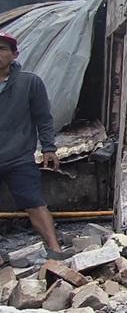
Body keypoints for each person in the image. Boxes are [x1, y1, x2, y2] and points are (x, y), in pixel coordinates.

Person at [0, 31, 64, 254]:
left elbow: (43, 117)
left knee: (34, 202)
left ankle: (55, 250)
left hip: (18, 157)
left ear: (14, 54)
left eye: (2, 49)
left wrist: (49, 148)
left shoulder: (29, 83)